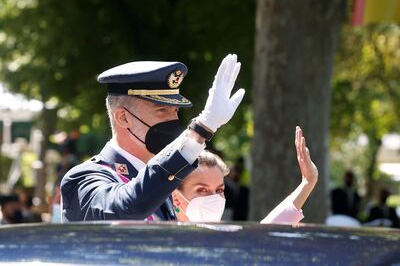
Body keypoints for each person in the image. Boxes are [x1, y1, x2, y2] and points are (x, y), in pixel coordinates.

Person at [61, 54, 245, 222]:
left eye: (175, 111)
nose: (173, 120)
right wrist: (202, 129)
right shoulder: (83, 180)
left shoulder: (162, 186)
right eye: (161, 110)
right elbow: (128, 206)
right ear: (123, 118)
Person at [172, 126, 318, 224]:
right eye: (202, 190)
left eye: (219, 190)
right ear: (176, 198)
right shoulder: (158, 240)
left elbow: (263, 235)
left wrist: (308, 182)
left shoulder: (225, 239)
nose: (214, 198)